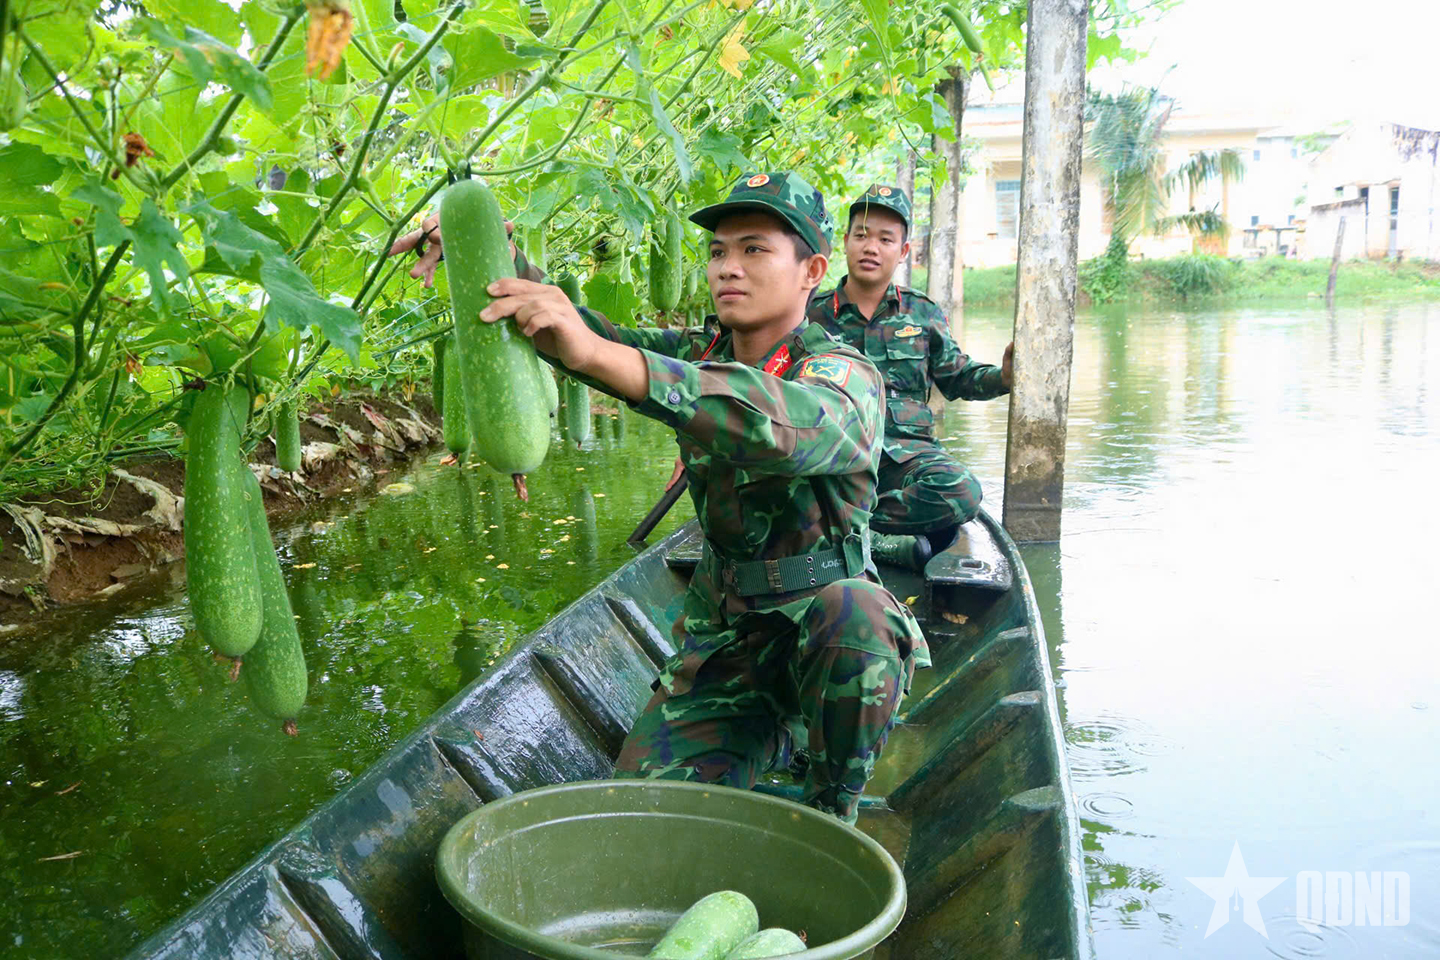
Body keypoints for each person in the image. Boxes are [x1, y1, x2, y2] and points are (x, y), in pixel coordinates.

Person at [389, 172, 927, 824]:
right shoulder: (699, 353)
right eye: (718, 251)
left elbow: (786, 425)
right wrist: (489, 256)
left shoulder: (843, 373)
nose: (728, 267)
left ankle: (830, 810)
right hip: (727, 651)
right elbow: (590, 337)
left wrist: (607, 357)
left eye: (754, 250)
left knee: (860, 612)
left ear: (811, 271)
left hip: (825, 645)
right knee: (639, 820)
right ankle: (766, 739)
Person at [808, 184, 1013, 571]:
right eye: (861, 235)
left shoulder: (922, 313)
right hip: (832, 459)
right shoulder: (809, 315)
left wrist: (1003, 378)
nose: (871, 247)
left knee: (961, 492)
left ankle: (855, 531)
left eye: (885, 239)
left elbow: (957, 376)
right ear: (846, 242)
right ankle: (869, 537)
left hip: (905, 460)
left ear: (902, 251)